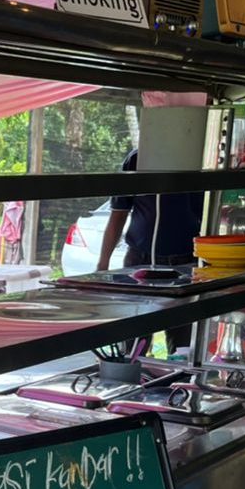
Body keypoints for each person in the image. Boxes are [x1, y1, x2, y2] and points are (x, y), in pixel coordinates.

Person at [96, 148, 205, 352]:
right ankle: (135, 380)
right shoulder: (138, 158)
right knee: (133, 345)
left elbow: (205, 215)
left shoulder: (194, 159)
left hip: (185, 265)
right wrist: (103, 264)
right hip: (140, 262)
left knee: (183, 347)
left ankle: (175, 382)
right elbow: (118, 215)